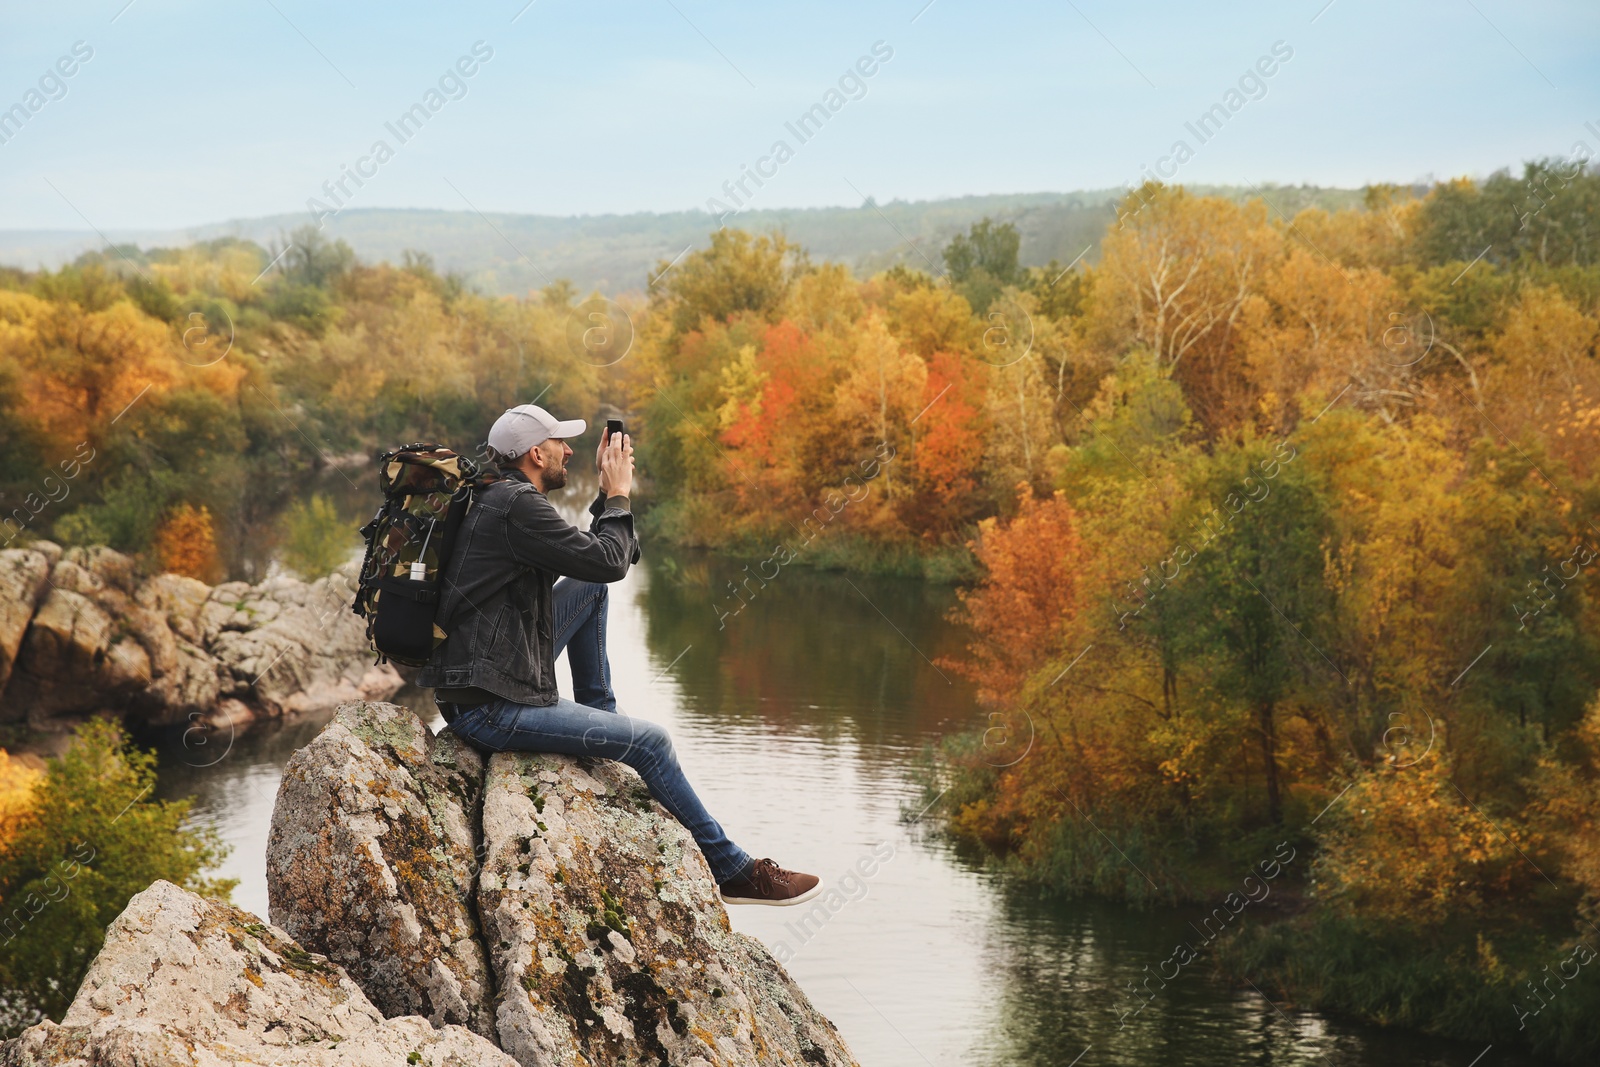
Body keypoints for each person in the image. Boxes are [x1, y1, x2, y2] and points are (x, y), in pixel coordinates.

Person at [420, 403, 822, 906]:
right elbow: (612, 559)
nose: (569, 451)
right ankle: (735, 872)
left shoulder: (498, 496)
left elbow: (602, 561)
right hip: (490, 706)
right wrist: (617, 494)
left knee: (589, 589)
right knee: (651, 743)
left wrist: (611, 501)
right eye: (560, 444)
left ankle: (601, 719)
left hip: (492, 674)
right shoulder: (516, 508)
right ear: (535, 453)